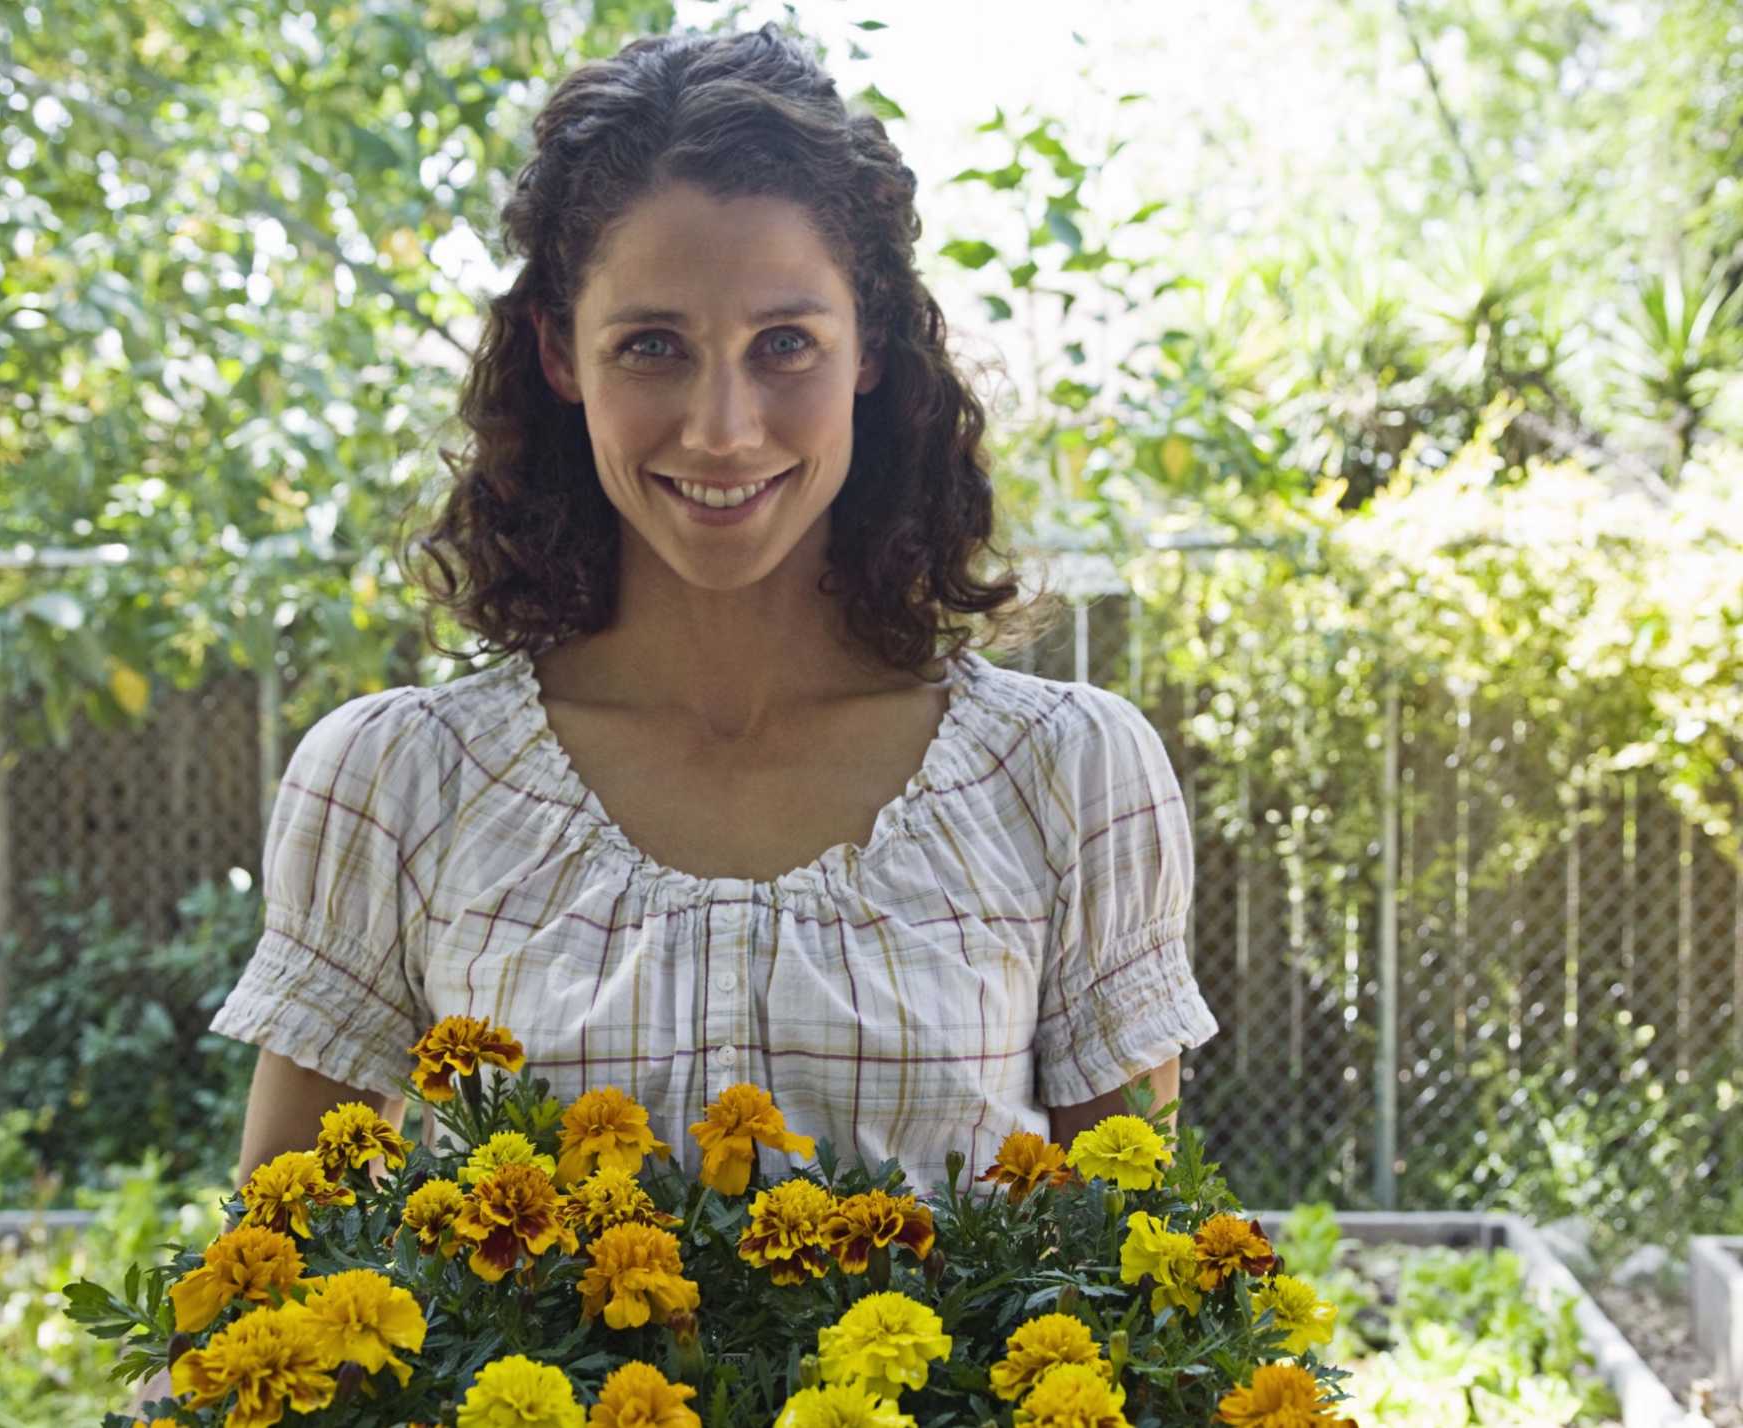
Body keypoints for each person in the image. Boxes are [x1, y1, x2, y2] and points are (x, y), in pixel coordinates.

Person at [131, 20, 1217, 1412]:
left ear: (870, 346)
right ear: (561, 355)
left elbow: (1150, 1313)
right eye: (652, 344)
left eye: (784, 343)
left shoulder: (1069, 777)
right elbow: (264, 1305)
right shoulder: (395, 784)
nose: (721, 427)